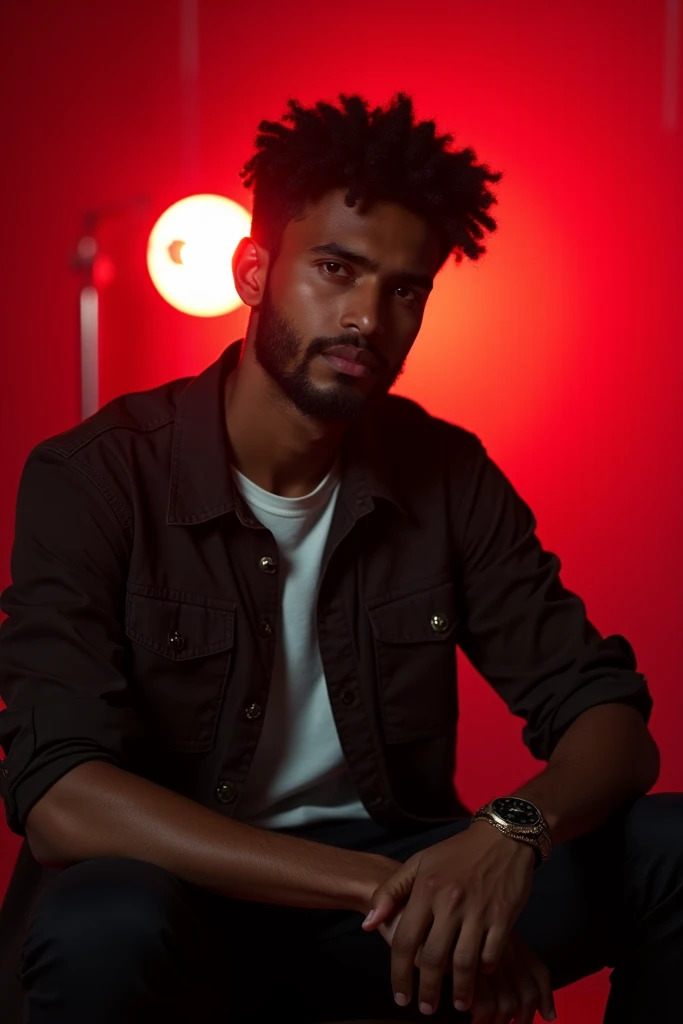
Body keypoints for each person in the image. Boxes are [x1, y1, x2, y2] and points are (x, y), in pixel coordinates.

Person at [0, 92, 680, 1024]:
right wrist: (387, 891)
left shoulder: (445, 472)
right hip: (191, 904)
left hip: (381, 918)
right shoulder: (94, 477)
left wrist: (505, 837)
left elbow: (606, 719)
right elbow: (62, 799)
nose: (367, 316)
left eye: (404, 289)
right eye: (335, 268)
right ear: (252, 271)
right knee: (98, 923)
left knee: (676, 846)